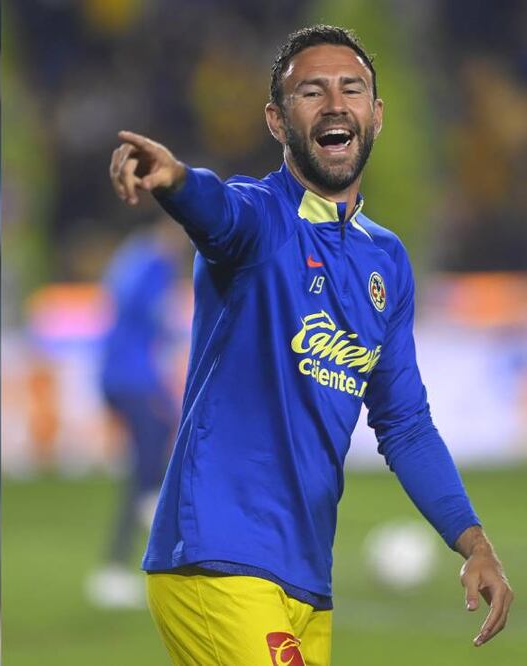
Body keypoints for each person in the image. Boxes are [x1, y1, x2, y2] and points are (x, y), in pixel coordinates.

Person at [108, 25, 512, 666]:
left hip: (304, 581)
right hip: (220, 557)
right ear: (276, 119)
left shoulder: (388, 261)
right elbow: (217, 211)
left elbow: (404, 423)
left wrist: (474, 542)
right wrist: (176, 182)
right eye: (310, 91)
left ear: (375, 115)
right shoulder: (261, 219)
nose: (334, 104)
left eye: (352, 89)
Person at [86, 223, 178, 609]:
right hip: (130, 377)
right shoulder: (150, 263)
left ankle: (150, 499)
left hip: (129, 375)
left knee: (161, 439)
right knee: (146, 464)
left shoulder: (137, 258)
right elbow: (141, 310)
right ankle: (116, 563)